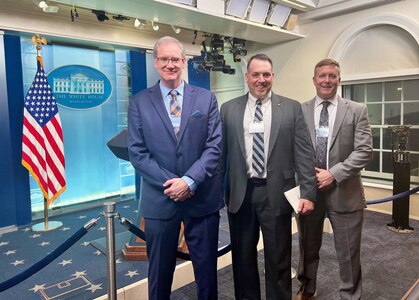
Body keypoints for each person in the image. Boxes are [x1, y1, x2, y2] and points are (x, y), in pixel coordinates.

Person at [128, 36, 223, 300]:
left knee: (206, 272)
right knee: (159, 275)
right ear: (156, 63)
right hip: (161, 200)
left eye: (175, 59)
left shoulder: (206, 99)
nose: (170, 64)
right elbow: (137, 152)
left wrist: (190, 181)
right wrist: (174, 184)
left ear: (184, 62)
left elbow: (214, 146)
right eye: (164, 59)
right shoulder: (139, 102)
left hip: (201, 199)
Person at [220, 53, 317, 299]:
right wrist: (218, 193)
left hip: (276, 193)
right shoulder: (229, 109)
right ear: (247, 77)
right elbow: (221, 156)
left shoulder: (291, 107)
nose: (261, 80)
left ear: (273, 76)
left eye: (266, 75)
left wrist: (307, 193)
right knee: (242, 258)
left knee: (278, 257)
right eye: (256, 74)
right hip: (241, 193)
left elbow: (304, 154)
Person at [294, 58, 373, 300]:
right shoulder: (300, 110)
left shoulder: (357, 110)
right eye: (322, 76)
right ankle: (307, 287)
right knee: (307, 246)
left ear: (339, 79)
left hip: (345, 191)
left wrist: (334, 174)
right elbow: (293, 149)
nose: (327, 80)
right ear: (314, 80)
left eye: (332, 75)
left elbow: (364, 151)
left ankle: (349, 295)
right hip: (309, 191)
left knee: (348, 251)